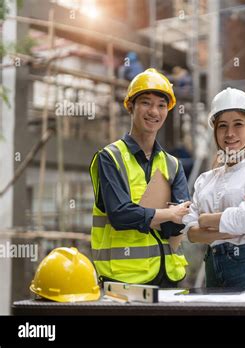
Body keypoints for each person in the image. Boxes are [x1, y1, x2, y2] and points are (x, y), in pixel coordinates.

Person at [89, 68, 191, 287]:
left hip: (169, 278)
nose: (154, 111)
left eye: (161, 105)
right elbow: (120, 215)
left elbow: (179, 222)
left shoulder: (172, 164)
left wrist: (154, 216)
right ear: (130, 106)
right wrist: (167, 214)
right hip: (124, 280)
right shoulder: (110, 158)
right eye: (146, 102)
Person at [181, 87, 245, 290]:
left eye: (238, 124)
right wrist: (231, 229)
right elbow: (190, 232)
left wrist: (205, 220)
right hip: (213, 270)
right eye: (222, 126)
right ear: (214, 131)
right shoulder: (205, 180)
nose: (230, 133)